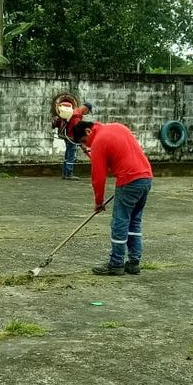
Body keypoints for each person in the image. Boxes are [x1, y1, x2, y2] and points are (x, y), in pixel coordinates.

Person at [71, 119, 153, 276]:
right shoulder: (118, 127)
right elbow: (112, 160)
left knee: (119, 223)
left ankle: (116, 264)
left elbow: (98, 176)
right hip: (146, 178)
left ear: (88, 131)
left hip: (128, 180)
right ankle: (134, 263)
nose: (85, 146)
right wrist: (90, 152)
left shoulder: (98, 141)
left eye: (83, 141)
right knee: (134, 222)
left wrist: (99, 202)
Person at [51, 97, 93, 180]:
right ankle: (69, 174)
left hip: (67, 136)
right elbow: (76, 129)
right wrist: (81, 142)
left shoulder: (74, 111)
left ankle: (65, 173)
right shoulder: (77, 115)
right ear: (86, 109)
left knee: (67, 154)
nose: (87, 113)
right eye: (88, 112)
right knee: (71, 155)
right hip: (72, 137)